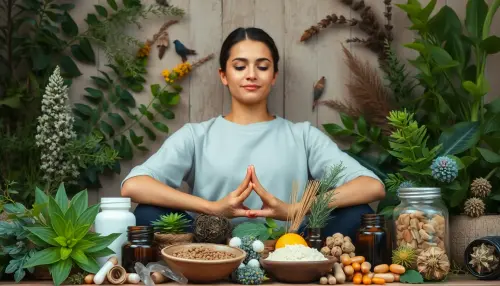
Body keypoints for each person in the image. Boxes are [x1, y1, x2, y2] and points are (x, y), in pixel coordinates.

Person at [121, 27, 385, 240]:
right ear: (223, 75)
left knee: (357, 215)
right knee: (146, 214)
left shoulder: (303, 135)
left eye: (262, 66)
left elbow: (371, 185)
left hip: (290, 246)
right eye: (239, 66)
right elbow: (133, 185)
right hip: (211, 246)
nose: (251, 75)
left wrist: (296, 209)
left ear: (274, 76)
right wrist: (212, 208)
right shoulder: (195, 135)